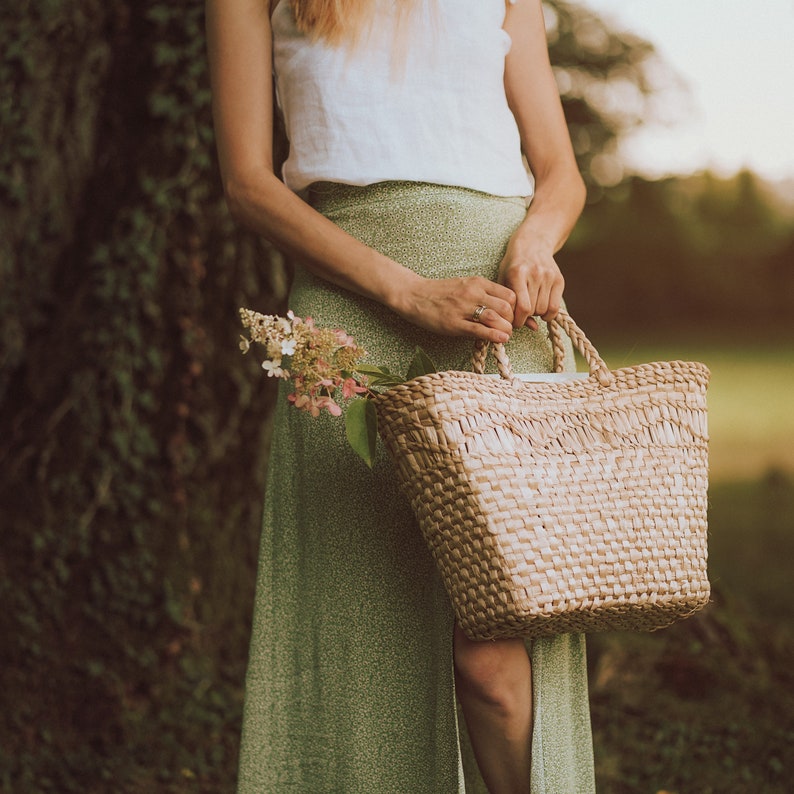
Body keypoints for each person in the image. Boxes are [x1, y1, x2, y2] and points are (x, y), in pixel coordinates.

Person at [206, 0, 595, 791]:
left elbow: (560, 174)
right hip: (353, 314)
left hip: (495, 314)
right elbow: (248, 183)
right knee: (362, 625)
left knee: (497, 644)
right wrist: (407, 293)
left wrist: (533, 240)